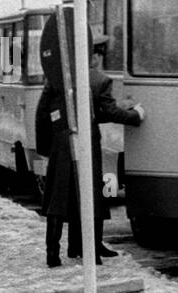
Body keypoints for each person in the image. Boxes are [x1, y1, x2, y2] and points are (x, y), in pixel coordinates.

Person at [39, 25, 144, 267]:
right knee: (91, 196)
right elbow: (107, 111)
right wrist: (135, 115)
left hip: (61, 144)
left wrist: (48, 145)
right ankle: (91, 251)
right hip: (87, 144)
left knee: (59, 198)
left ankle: (53, 253)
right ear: (94, 55)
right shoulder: (99, 80)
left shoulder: (56, 77)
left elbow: (43, 113)